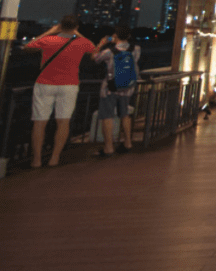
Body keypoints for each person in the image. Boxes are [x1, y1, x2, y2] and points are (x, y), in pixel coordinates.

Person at [23, 15, 97, 168]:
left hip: (45, 84)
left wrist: (50, 31)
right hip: (69, 85)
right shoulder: (81, 43)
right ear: (75, 27)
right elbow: (94, 48)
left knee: (39, 123)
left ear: (61, 26)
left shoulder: (49, 40)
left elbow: (28, 46)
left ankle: (36, 160)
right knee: (63, 121)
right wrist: (77, 33)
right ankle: (54, 158)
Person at [93, 26, 141, 156]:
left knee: (107, 116)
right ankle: (128, 142)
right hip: (127, 87)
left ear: (115, 36)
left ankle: (108, 147)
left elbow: (96, 58)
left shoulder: (109, 51)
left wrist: (101, 44)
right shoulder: (136, 49)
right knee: (124, 115)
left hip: (110, 87)